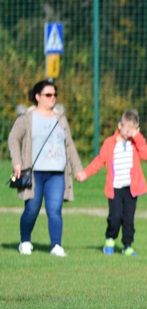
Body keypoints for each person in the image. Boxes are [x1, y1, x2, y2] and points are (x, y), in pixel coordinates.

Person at [8, 79, 84, 257]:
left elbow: (69, 145)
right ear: (37, 96)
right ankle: (25, 241)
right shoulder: (27, 118)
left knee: (55, 210)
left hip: (57, 173)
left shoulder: (60, 119)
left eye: (54, 94)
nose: (53, 98)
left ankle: (56, 245)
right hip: (34, 173)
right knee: (31, 209)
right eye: (48, 95)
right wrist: (17, 162)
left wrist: (78, 168)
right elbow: (13, 138)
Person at [76, 109, 147, 256]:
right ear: (119, 126)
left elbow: (146, 155)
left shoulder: (135, 143)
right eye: (126, 128)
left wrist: (138, 136)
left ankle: (127, 246)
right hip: (115, 189)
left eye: (132, 129)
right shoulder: (110, 143)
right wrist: (85, 173)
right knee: (115, 217)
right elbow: (99, 161)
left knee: (128, 219)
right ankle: (109, 239)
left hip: (131, 189)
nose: (128, 131)